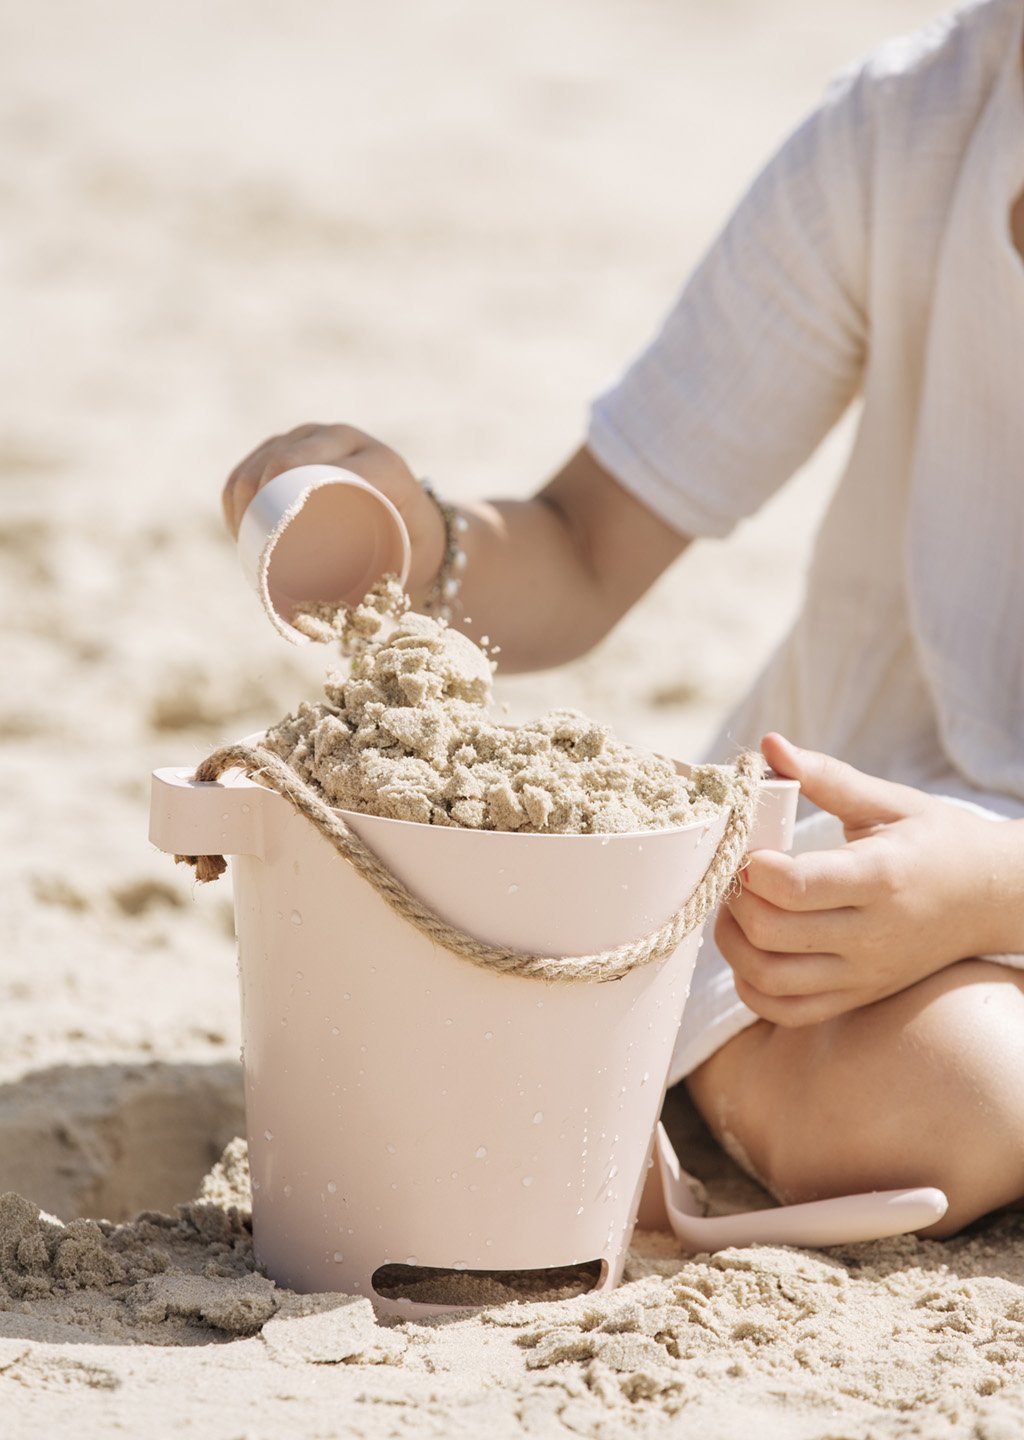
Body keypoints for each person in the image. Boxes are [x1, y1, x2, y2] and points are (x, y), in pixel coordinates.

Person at [222, 0, 1024, 1235]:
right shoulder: (905, 132)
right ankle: (713, 1066)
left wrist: (1000, 888)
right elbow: (587, 552)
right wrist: (419, 539)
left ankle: (698, 1082)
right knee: (950, 1086)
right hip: (853, 846)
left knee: (976, 1087)